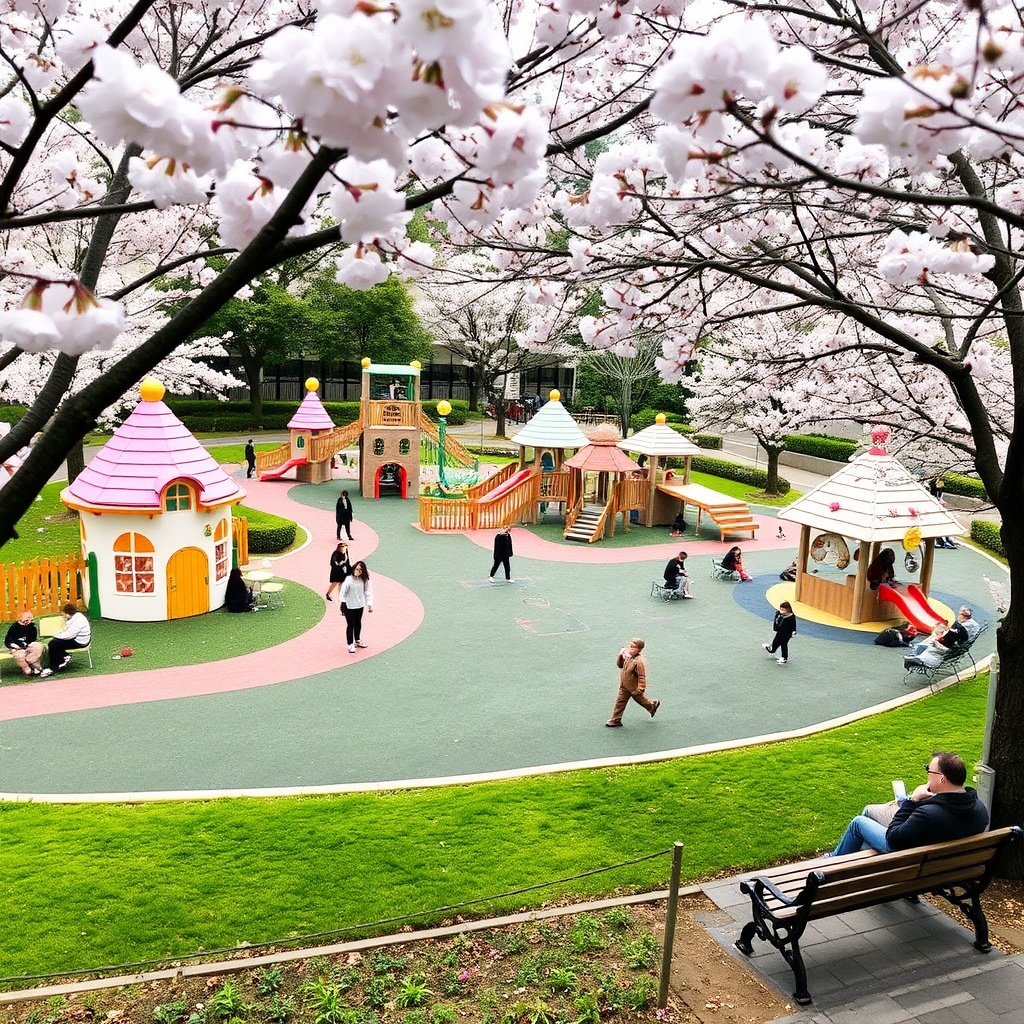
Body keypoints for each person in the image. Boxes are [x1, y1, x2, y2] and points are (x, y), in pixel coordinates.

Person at [831, 752, 989, 857]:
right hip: (943, 865)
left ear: (942, 778)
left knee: (858, 823)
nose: (927, 774)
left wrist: (912, 801)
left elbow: (893, 838)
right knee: (869, 811)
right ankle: (857, 859)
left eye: (929, 770)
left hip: (908, 856)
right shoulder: (980, 810)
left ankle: (832, 863)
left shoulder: (929, 814)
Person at [606, 638, 660, 726]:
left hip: (634, 688)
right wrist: (620, 655)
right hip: (624, 685)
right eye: (629, 646)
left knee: (640, 699)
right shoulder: (628, 657)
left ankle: (651, 706)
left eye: (632, 647)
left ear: (639, 649)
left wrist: (640, 688)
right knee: (620, 702)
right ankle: (616, 720)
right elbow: (620, 665)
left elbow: (642, 676)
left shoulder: (639, 662)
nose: (629, 648)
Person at [40, 603, 91, 676]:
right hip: (76, 638)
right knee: (55, 642)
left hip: (80, 642)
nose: (63, 615)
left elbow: (69, 635)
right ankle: (63, 657)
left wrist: (57, 636)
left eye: (63, 613)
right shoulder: (75, 617)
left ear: (67, 613)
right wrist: (59, 635)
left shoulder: (78, 621)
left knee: (53, 644)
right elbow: (67, 630)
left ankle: (54, 667)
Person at [904, 617, 968, 669]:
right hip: (932, 652)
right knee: (922, 646)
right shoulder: (952, 641)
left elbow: (943, 649)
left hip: (933, 657)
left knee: (922, 647)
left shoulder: (950, 640)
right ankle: (915, 657)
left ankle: (916, 657)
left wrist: (935, 642)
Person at [340, 560, 373, 653]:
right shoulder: (348, 580)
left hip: (359, 605)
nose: (357, 571)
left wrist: (369, 604)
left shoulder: (364, 580)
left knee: (358, 622)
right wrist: (342, 603)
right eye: (356, 569)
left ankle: (357, 640)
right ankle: (350, 644)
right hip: (349, 605)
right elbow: (343, 593)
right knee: (350, 624)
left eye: (360, 570)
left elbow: (368, 591)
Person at [4, 610, 44, 676]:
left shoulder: (32, 627)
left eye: (30, 618)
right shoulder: (14, 627)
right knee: (20, 655)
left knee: (37, 646)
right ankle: (27, 669)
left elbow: (32, 640)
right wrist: (14, 646)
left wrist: (26, 644)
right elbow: (8, 641)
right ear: (20, 619)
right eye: (27, 618)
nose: (28, 620)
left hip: (28, 645)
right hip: (16, 646)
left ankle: (34, 664)